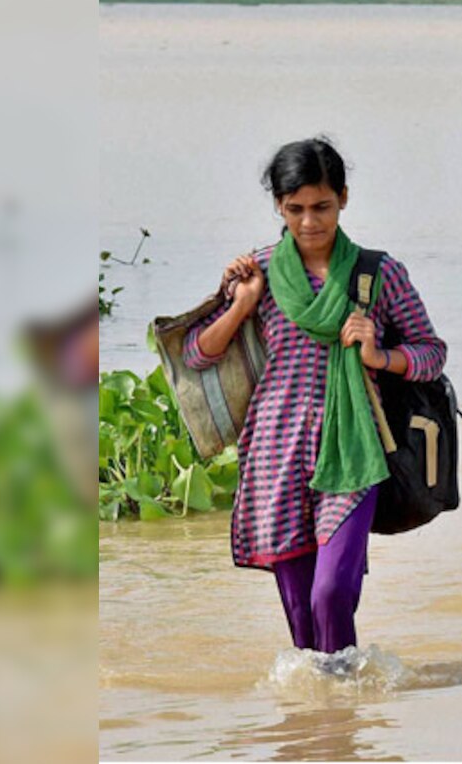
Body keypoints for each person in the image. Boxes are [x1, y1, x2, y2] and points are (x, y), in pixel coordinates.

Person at [183, 138, 446, 652]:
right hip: (275, 453)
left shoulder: (377, 274)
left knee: (331, 593)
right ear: (278, 206)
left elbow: (432, 353)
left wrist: (380, 356)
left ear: (344, 199)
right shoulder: (258, 271)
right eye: (295, 209)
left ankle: (342, 691)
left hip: (354, 449)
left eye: (322, 207)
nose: (309, 222)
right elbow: (198, 355)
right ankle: (328, 723)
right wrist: (242, 305)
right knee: (301, 618)